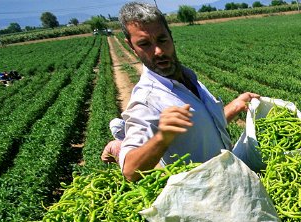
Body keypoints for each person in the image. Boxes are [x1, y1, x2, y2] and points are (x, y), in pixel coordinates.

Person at [107, 2, 258, 181]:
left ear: (170, 35)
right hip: (204, 197)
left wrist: (234, 106)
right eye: (144, 44)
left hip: (231, 181)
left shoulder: (189, 79)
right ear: (131, 47)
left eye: (162, 39)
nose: (158, 51)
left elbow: (202, 129)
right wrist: (162, 138)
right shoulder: (147, 100)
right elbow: (130, 171)